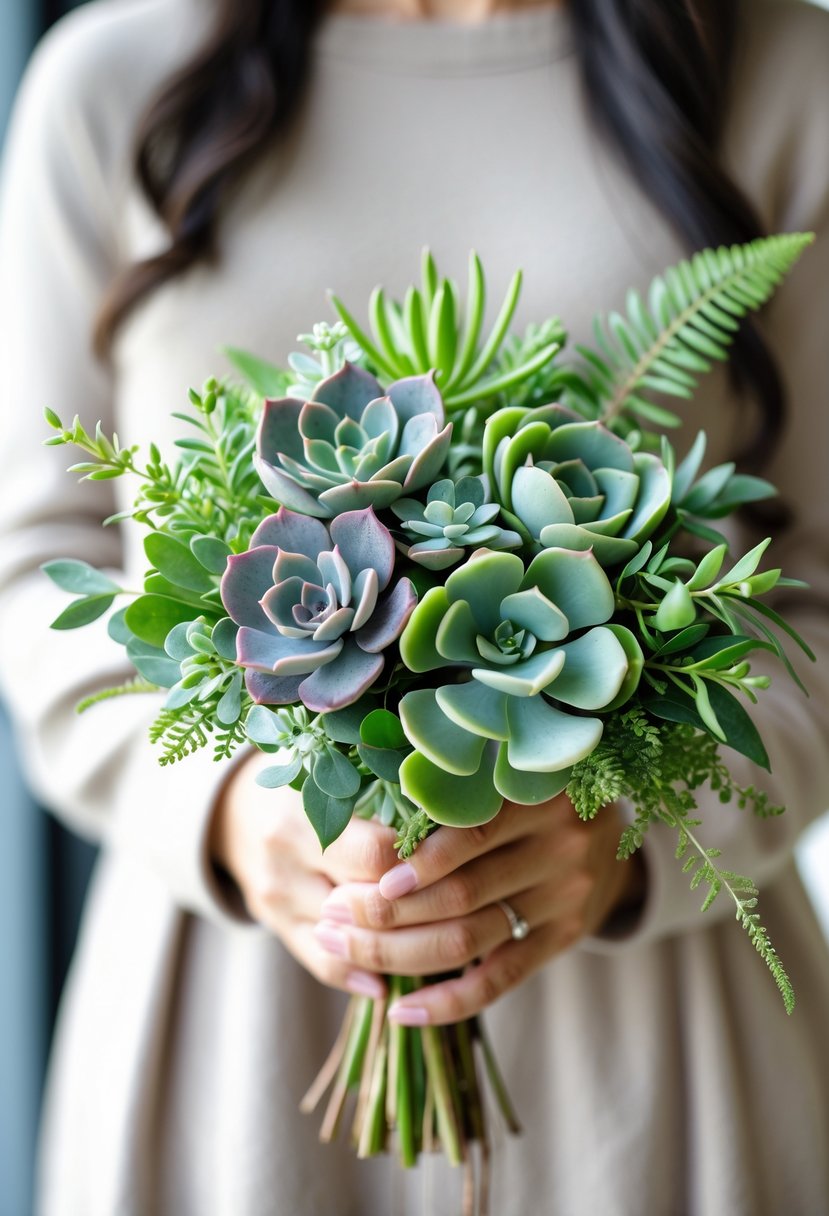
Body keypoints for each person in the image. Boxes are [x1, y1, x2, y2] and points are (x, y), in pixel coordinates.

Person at [1, 0, 828, 1212]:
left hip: (652, 1045)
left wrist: (632, 842)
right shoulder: (115, 81)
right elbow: (38, 560)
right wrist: (234, 819)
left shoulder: (777, 73)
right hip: (227, 1037)